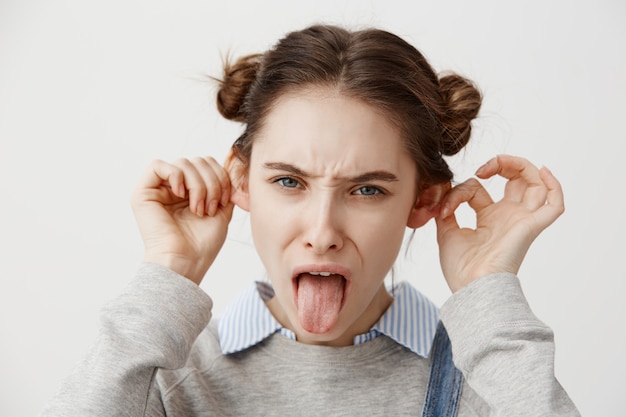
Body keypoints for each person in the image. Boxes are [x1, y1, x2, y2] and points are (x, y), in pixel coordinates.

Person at [39, 24, 580, 416]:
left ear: (422, 201)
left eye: (367, 189)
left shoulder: (485, 378)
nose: (322, 232)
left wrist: (490, 290)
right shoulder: (162, 375)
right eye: (289, 182)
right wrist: (166, 273)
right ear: (240, 181)